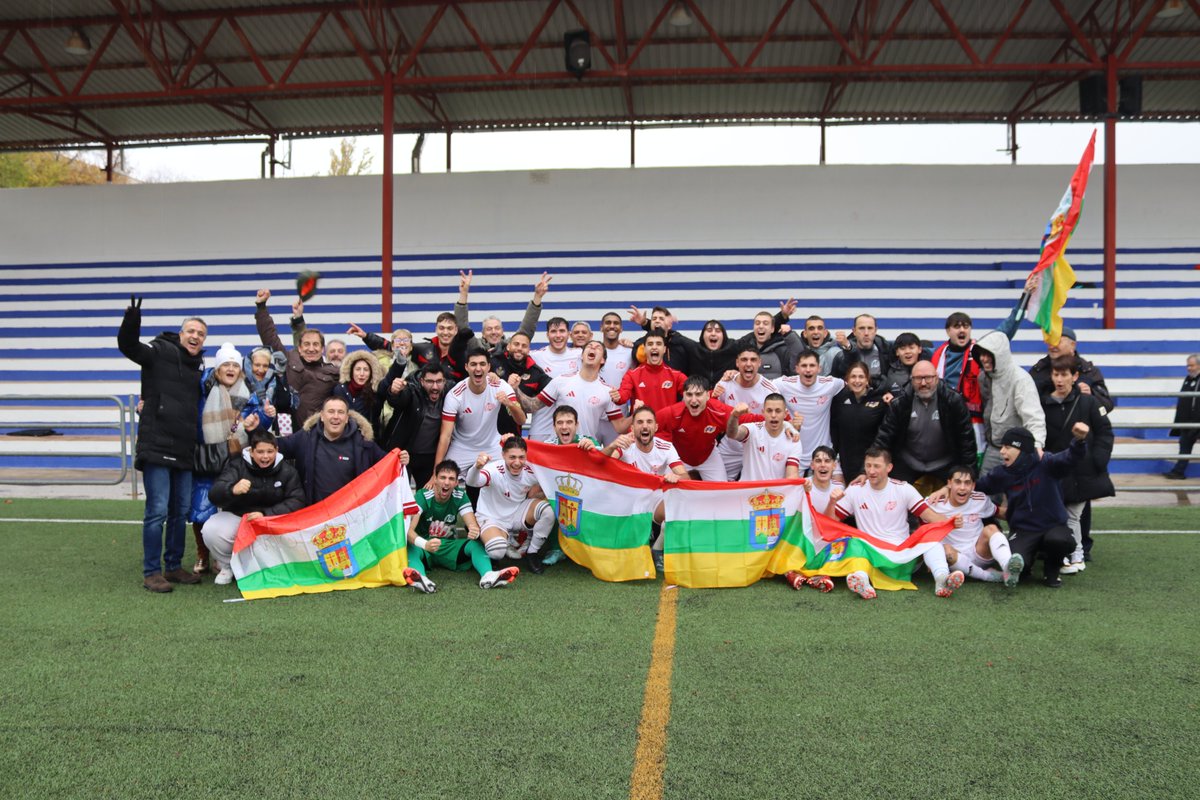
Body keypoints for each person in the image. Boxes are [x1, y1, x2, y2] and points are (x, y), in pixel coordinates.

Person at [118, 296, 208, 593]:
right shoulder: (158, 351)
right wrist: (132, 320)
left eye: (201, 334)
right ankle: (151, 571)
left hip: (183, 448)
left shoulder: (198, 368)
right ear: (181, 334)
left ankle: (172, 566)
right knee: (157, 510)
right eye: (191, 331)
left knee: (179, 511)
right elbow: (129, 347)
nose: (195, 336)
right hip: (157, 445)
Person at [827, 447, 964, 599]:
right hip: (872, 555)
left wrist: (951, 521)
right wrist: (832, 502)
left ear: (889, 467)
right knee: (853, 541)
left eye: (877, 466)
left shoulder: (904, 489)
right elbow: (831, 522)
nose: (871, 471)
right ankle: (862, 581)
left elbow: (929, 516)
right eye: (868, 465)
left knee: (931, 541)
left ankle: (942, 579)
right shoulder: (855, 490)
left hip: (901, 554)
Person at [975, 424, 1089, 588]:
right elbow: (977, 487)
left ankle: (1052, 570)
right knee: (1017, 567)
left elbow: (1069, 458)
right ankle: (1028, 562)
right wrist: (947, 489)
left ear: (1021, 449)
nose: (1002, 452)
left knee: (1060, 541)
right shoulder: (1002, 473)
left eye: (1007, 447)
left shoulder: (1047, 463)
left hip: (1053, 527)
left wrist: (1079, 441)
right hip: (1023, 530)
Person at [189, 342, 266, 575]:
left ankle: (228, 555)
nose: (231, 369)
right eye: (226, 365)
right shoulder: (202, 389)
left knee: (236, 507)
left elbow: (259, 425)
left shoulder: (248, 393)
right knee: (200, 510)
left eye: (235, 364)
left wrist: (262, 421)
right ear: (217, 368)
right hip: (207, 458)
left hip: (237, 460)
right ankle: (202, 552)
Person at [203, 430, 307, 585]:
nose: (265, 456)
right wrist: (232, 489)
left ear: (276, 451)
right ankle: (227, 566)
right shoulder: (237, 466)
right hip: (241, 519)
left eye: (270, 451)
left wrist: (266, 514)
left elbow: (297, 500)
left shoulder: (288, 471)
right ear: (251, 452)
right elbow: (214, 494)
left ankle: (274, 565)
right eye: (260, 452)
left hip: (272, 522)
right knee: (211, 529)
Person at [1041, 357, 1114, 574]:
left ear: (1075, 376)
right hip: (1054, 470)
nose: (1059, 379)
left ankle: (1075, 556)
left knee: (1072, 515)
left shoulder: (1088, 403)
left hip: (1081, 470)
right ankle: (1067, 554)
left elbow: (1105, 433)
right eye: (1056, 374)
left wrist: (1097, 460)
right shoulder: (1043, 404)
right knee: (1058, 514)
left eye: (1064, 375)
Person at [247, 395, 390, 504]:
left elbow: (388, 462)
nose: (335, 416)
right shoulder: (305, 437)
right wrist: (255, 430)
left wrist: (401, 458)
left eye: (340, 412)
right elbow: (275, 446)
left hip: (349, 515)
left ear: (347, 418)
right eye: (331, 412)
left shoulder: (362, 442)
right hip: (314, 515)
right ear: (322, 416)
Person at [403, 459, 520, 593]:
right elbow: (409, 531)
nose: (446, 482)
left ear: (456, 482)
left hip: (448, 546)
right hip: (424, 546)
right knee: (410, 547)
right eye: (442, 477)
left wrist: (474, 531)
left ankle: (488, 575)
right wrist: (425, 545)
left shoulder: (460, 495)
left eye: (451, 478)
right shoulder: (422, 496)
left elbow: (472, 524)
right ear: (435, 479)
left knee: (474, 544)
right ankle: (421, 579)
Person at [870, 360, 976, 494]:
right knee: (891, 496)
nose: (924, 383)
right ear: (912, 380)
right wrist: (868, 469)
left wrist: (970, 475)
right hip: (908, 462)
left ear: (937, 378)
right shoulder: (900, 403)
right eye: (918, 379)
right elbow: (884, 438)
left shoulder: (953, 401)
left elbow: (966, 440)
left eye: (928, 378)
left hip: (945, 463)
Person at [465, 437, 557, 574]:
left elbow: (553, 480)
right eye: (512, 457)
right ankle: (489, 537)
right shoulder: (494, 469)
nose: (517, 462)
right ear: (503, 455)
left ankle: (532, 553)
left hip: (517, 514)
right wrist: (477, 467)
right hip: (492, 518)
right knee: (497, 552)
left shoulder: (531, 471)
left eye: (521, 457)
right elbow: (472, 482)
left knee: (548, 512)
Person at [435, 349, 525, 485]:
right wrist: (435, 472)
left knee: (510, 479)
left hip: (492, 446)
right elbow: (445, 436)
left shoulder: (500, 386)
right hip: (462, 447)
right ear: (466, 367)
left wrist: (509, 404)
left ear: (489, 367)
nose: (478, 368)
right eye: (473, 364)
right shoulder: (455, 395)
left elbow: (521, 420)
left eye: (482, 364)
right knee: (443, 480)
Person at [926, 465, 1022, 588]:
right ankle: (987, 576)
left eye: (967, 483)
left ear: (973, 486)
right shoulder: (933, 503)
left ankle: (1008, 568)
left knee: (991, 528)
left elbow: (1000, 512)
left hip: (980, 552)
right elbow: (918, 526)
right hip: (953, 557)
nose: (962, 487)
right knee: (945, 549)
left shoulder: (980, 499)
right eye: (957, 482)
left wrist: (1030, 515)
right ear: (949, 484)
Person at [254, 288, 339, 423]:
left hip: (319, 434)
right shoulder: (288, 359)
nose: (311, 349)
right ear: (299, 348)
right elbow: (269, 336)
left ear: (323, 349)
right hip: (288, 433)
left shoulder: (334, 373)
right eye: (306, 344)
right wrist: (261, 307)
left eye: (316, 344)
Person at [972, 329, 1047, 475]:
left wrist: (1037, 445)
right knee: (984, 494)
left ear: (1000, 355)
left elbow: (1034, 417)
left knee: (1018, 494)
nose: (983, 359)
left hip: (1016, 450)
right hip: (994, 448)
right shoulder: (984, 378)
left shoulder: (1020, 379)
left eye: (988, 354)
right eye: (981, 354)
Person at [532, 340, 629, 444]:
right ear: (582, 356)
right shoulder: (560, 381)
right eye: (589, 346)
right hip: (560, 447)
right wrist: (515, 392)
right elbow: (533, 405)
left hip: (587, 448)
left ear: (602, 360)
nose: (593, 348)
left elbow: (620, 427)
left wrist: (638, 411)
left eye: (598, 347)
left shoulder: (608, 391)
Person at [713, 348, 782, 479]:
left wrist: (791, 429)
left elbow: (780, 419)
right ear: (737, 363)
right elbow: (714, 411)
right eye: (744, 360)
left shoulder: (770, 390)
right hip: (730, 447)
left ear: (759, 363)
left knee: (758, 491)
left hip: (758, 449)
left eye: (753, 360)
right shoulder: (724, 384)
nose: (748, 364)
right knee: (719, 488)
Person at [784, 445, 844, 593]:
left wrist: (832, 501)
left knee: (844, 543)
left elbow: (832, 525)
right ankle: (793, 572)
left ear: (834, 466)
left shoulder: (839, 488)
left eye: (827, 461)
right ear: (812, 465)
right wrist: (803, 494)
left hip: (825, 537)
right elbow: (792, 518)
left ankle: (819, 574)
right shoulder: (802, 484)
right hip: (803, 536)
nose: (822, 465)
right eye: (818, 461)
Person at [378, 363, 447, 488]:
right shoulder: (411, 390)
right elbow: (398, 400)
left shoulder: (449, 393)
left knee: (427, 497)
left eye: (439, 381)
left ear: (444, 381)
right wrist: (394, 391)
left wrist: (491, 376)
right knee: (399, 496)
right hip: (404, 453)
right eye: (430, 382)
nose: (435, 386)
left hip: (429, 457)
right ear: (421, 381)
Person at [454, 269, 549, 359]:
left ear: (502, 331)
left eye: (497, 328)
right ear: (483, 334)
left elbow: (527, 329)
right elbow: (462, 328)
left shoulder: (511, 345)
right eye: (489, 329)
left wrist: (537, 297)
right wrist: (464, 294)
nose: (494, 332)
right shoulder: (475, 346)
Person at [776, 350, 844, 473]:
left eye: (812, 365)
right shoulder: (784, 384)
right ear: (796, 369)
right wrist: (734, 375)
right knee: (791, 491)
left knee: (838, 489)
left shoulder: (831, 384)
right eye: (804, 366)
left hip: (823, 453)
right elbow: (759, 385)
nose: (808, 370)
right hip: (794, 452)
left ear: (819, 368)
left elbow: (855, 384)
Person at [1028, 326, 1114, 412]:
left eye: (1057, 341)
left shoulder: (1089, 371)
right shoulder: (1038, 370)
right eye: (1050, 342)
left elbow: (1107, 406)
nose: (1052, 346)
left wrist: (1091, 394)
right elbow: (1027, 403)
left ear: (1072, 345)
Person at [830, 362, 887, 483]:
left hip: (871, 461)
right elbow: (834, 430)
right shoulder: (839, 399)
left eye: (861, 377)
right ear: (847, 380)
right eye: (853, 377)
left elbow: (883, 434)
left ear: (867, 380)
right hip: (846, 461)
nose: (857, 381)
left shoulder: (880, 400)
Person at [489, 330, 552, 439]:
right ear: (508, 346)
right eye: (516, 344)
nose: (519, 348)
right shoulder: (494, 361)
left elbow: (554, 389)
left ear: (528, 350)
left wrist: (516, 390)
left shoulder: (536, 372)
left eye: (524, 346)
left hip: (513, 433)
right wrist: (488, 376)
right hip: (486, 431)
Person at [726, 394, 803, 481]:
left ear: (785, 414)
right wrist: (735, 416)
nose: (773, 415)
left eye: (778, 411)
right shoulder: (752, 430)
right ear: (763, 412)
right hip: (748, 492)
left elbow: (791, 476)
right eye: (769, 411)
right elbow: (732, 434)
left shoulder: (793, 439)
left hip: (774, 493)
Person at [615, 330, 688, 413]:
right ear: (644, 349)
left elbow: (692, 392)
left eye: (658, 344)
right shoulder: (632, 375)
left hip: (668, 425)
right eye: (650, 344)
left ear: (664, 349)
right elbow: (623, 395)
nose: (654, 347)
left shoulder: (676, 376)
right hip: (642, 425)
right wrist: (618, 397)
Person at [829, 314, 890, 388]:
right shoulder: (841, 354)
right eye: (861, 328)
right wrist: (848, 348)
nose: (866, 333)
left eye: (870, 328)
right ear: (854, 331)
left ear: (875, 330)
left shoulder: (886, 351)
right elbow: (834, 382)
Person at [1165, 353, 1200, 480]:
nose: (1189, 368)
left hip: (1197, 421)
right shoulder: (1188, 379)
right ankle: (1178, 472)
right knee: (1184, 445)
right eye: (1188, 365)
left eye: (1192, 365)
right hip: (1187, 421)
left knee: (1185, 445)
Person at [243, 346, 292, 434]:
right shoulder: (242, 382)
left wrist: (281, 374)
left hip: (271, 435)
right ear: (250, 365)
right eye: (257, 365)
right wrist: (255, 398)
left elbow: (284, 404)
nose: (261, 370)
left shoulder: (273, 380)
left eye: (265, 366)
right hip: (246, 435)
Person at [333, 350, 385, 430]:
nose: (361, 374)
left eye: (366, 370)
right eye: (358, 369)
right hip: (343, 435)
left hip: (368, 437)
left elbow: (389, 380)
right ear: (351, 371)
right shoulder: (340, 389)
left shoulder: (375, 390)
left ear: (371, 372)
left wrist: (399, 364)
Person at [878, 332, 927, 398]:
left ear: (919, 349)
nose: (907, 352)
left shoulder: (928, 369)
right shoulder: (890, 373)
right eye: (903, 348)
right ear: (897, 352)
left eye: (911, 348)